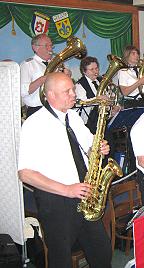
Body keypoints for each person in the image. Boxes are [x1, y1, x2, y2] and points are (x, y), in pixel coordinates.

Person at [18, 72, 112, 268]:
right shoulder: (34, 125)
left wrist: (98, 148)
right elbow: (25, 173)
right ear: (50, 95)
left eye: (73, 89)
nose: (73, 94)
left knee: (101, 252)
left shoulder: (73, 117)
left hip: (85, 195)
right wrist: (67, 189)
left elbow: (88, 146)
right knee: (60, 260)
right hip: (57, 201)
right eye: (67, 91)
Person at [20, 34, 71, 117]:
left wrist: (66, 76)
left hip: (57, 108)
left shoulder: (57, 64)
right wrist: (43, 79)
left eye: (51, 45)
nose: (50, 48)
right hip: (37, 110)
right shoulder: (27, 64)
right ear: (35, 48)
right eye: (46, 45)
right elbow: (23, 91)